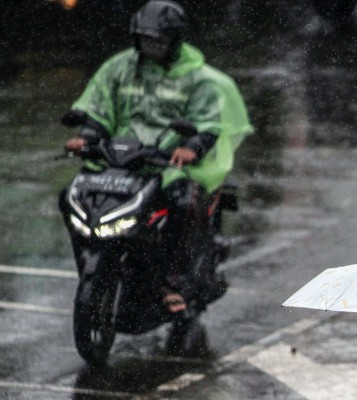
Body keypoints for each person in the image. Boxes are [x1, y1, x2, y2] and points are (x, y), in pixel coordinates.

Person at [64, 0, 252, 317]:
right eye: (145, 39)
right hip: (122, 158)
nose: (150, 46)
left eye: (158, 40)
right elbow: (99, 109)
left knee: (184, 201)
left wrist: (192, 146)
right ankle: (96, 262)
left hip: (169, 164)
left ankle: (172, 283)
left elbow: (209, 121)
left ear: (175, 40)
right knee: (71, 196)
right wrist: (88, 137)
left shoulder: (199, 79)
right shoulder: (119, 67)